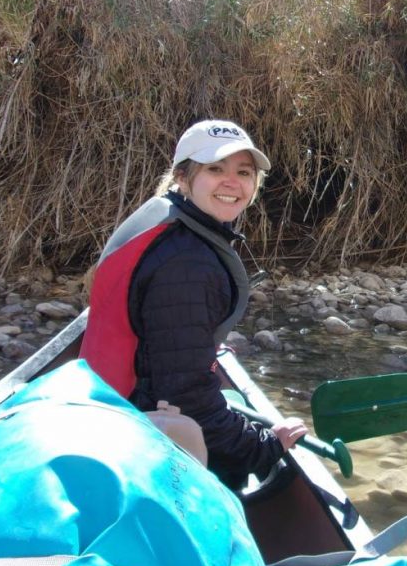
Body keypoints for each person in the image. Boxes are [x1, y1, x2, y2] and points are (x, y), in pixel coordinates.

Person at [79, 119, 308, 489]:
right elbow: (188, 402)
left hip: (114, 398)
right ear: (183, 177)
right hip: (137, 428)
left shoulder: (173, 222)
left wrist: (198, 343)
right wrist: (265, 446)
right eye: (215, 169)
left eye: (244, 172)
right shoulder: (188, 262)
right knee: (238, 471)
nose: (232, 182)